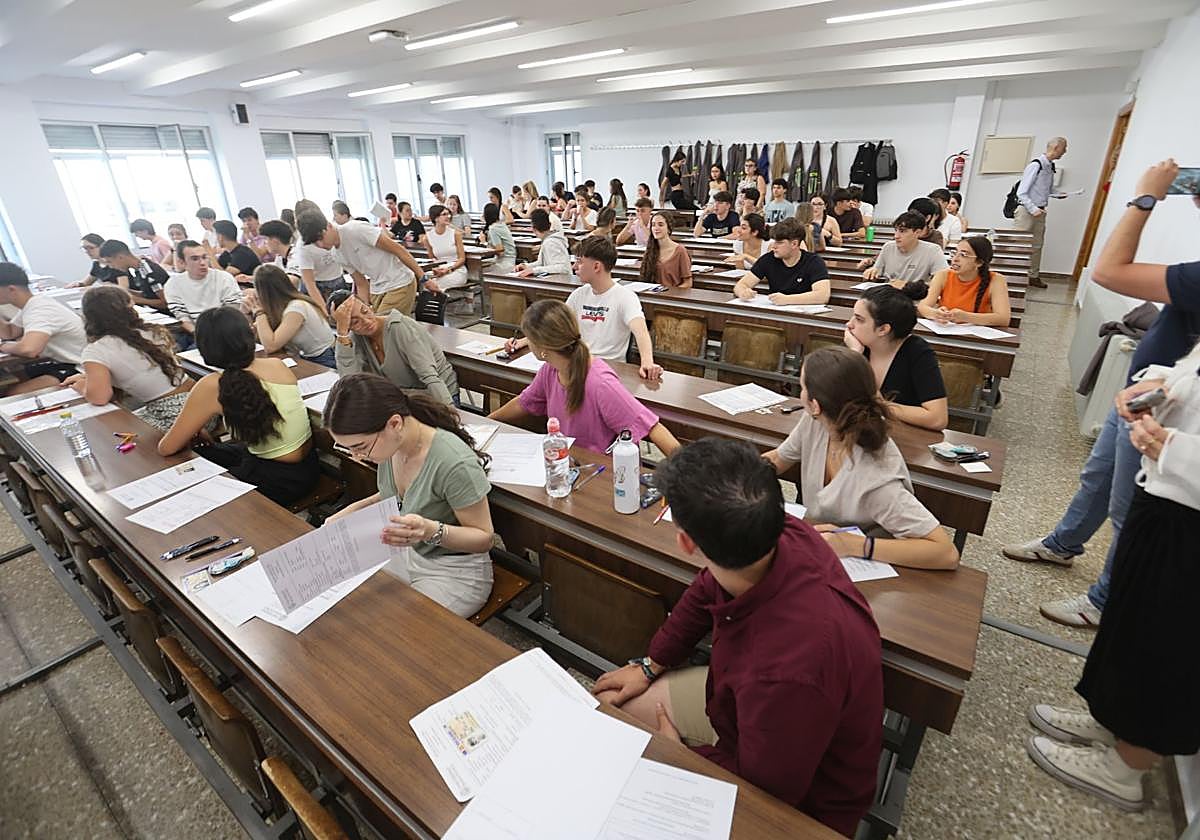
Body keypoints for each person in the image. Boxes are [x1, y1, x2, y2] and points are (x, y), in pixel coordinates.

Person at [592, 437, 883, 837]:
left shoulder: (789, 667)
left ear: (686, 542)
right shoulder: (777, 533)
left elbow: (767, 791)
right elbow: (705, 588)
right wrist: (650, 663)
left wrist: (683, 761)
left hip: (803, 802)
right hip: (744, 713)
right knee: (609, 706)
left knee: (633, 764)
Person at [1002, 159, 1200, 628]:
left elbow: (1108, 271)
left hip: (1170, 410)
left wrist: (1145, 197)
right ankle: (1063, 544)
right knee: (1099, 472)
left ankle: (1107, 599)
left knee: (1129, 509)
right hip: (1147, 389)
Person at [1025, 337, 1200, 813]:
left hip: (1190, 510)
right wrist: (1154, 384)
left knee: (1163, 643)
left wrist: (1175, 448)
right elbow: (1192, 372)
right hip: (1164, 495)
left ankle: (1126, 767)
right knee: (1129, 621)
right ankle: (1111, 720)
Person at [764, 346, 959, 569]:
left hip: (867, 566)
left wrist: (855, 545)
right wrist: (740, 473)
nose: (800, 393)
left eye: (802, 387)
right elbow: (780, 458)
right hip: (823, 549)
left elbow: (946, 552)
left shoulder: (876, 480)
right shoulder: (816, 422)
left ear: (816, 405)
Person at [323, 374, 496, 617]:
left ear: (394, 424)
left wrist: (430, 530)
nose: (356, 457)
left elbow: (483, 539)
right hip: (408, 553)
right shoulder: (391, 446)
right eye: (348, 448)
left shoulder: (454, 462)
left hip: (455, 570)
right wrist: (348, 513)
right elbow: (393, 496)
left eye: (360, 447)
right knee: (345, 603)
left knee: (397, 632)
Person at [159, 307, 319, 506]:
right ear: (249, 334)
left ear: (205, 347)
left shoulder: (212, 385)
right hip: (308, 468)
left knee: (193, 481)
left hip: (273, 481)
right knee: (212, 452)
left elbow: (167, 447)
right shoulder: (277, 364)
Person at [489, 300, 680, 455]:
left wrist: (691, 481)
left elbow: (653, 428)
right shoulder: (551, 370)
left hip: (603, 476)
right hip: (570, 462)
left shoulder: (600, 383)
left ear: (543, 348)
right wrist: (485, 423)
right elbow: (524, 403)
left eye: (528, 337)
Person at [509, 237, 662, 378]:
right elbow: (555, 327)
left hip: (609, 369)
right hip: (579, 363)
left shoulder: (625, 297)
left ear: (596, 266)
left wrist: (647, 362)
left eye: (580, 262)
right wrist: (522, 342)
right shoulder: (579, 294)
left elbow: (641, 331)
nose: (575, 266)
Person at [66, 284, 192, 432]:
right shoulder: (153, 330)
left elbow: (99, 398)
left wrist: (83, 387)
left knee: (113, 434)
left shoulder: (96, 350)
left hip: (172, 415)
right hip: (199, 402)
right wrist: (90, 377)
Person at [843, 282, 948, 431]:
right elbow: (831, 395)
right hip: (860, 432)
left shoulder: (917, 352)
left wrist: (880, 405)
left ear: (883, 329)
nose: (849, 324)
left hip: (903, 439)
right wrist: (855, 355)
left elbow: (937, 419)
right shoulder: (857, 345)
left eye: (859, 319)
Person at [329, 289, 458, 405]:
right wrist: (342, 335)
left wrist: (450, 414)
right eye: (355, 322)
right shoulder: (354, 338)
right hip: (403, 399)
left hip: (438, 396)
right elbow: (350, 382)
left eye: (365, 311)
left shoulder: (400, 327)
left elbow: (430, 377)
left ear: (370, 306)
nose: (367, 321)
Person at [297, 209, 432, 316]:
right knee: (372, 328)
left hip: (399, 281)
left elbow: (398, 250)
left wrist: (423, 278)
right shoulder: (336, 254)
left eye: (320, 238)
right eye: (315, 243)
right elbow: (361, 284)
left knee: (384, 330)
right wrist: (364, 308)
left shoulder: (356, 229)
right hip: (377, 289)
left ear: (329, 225)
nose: (321, 244)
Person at [0, 263, 87, 393]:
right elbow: (10, 332)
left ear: (11, 289)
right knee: (17, 374)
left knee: (12, 393)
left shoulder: (40, 309)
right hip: (64, 361)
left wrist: (3, 346)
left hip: (82, 367)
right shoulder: (32, 303)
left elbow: (29, 349)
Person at [244, 264, 336, 367]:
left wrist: (259, 312)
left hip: (326, 358)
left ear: (263, 292)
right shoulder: (283, 306)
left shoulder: (296, 307)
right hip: (311, 357)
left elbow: (270, 346)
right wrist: (247, 313)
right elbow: (257, 336)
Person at [163, 240, 243, 349]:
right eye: (195, 259)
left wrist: (211, 336)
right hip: (194, 332)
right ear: (182, 262)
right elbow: (182, 317)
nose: (202, 263)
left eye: (204, 257)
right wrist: (199, 334)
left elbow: (233, 311)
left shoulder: (223, 277)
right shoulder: (173, 283)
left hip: (223, 332)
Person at [919, 236, 1011, 327]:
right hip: (947, 330)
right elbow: (923, 306)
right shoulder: (943, 275)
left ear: (979, 262)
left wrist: (966, 317)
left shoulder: (996, 280)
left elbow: (1003, 319)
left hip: (978, 336)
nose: (955, 259)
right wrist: (937, 314)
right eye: (955, 253)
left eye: (963, 255)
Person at [734, 218, 830, 305]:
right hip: (776, 313)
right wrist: (743, 292)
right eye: (774, 241)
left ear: (794, 244)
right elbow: (741, 284)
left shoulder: (814, 261)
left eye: (779, 243)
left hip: (804, 315)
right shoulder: (768, 259)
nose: (774, 246)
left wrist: (787, 299)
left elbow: (822, 295)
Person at [1015, 136, 1069, 288]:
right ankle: (1013, 277)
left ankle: (1033, 276)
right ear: (1056, 148)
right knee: (1019, 245)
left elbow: (1047, 189)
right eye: (1064, 148)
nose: (1065, 151)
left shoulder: (1050, 166)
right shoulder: (1036, 165)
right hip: (1027, 211)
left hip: (1040, 211)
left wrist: (1058, 194)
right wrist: (1033, 209)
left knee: (1037, 246)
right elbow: (1022, 192)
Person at [856, 210, 948, 283]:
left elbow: (943, 279)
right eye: (896, 230)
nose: (896, 236)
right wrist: (871, 272)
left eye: (902, 231)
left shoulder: (933, 250)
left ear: (917, 232)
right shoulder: (888, 247)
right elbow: (877, 271)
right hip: (889, 297)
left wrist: (907, 286)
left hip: (916, 298)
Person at [96, 240, 169, 311]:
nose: (111, 267)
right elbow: (149, 294)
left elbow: (165, 302)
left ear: (120, 257)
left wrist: (135, 300)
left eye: (110, 262)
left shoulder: (148, 271)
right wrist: (121, 291)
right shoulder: (138, 269)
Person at [421, 204, 468, 290]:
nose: (448, 216)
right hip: (440, 269)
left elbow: (462, 258)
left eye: (448, 214)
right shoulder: (427, 237)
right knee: (425, 282)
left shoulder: (455, 234)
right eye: (444, 214)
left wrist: (449, 269)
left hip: (456, 269)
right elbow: (432, 258)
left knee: (433, 285)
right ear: (436, 218)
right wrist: (437, 269)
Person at [640, 212, 693, 289]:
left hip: (672, 296)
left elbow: (688, 283)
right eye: (653, 225)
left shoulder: (680, 251)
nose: (656, 228)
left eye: (660, 225)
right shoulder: (650, 249)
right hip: (653, 294)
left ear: (668, 228)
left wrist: (671, 292)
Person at [513, 210, 572, 276]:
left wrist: (534, 270)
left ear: (533, 229)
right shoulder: (547, 240)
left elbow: (562, 268)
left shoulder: (551, 242)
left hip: (562, 280)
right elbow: (541, 262)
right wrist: (527, 266)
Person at [479, 203, 516, 274]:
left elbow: (500, 251)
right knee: (479, 265)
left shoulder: (493, 228)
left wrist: (484, 243)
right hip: (508, 260)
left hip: (505, 262)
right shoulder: (501, 224)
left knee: (477, 270)